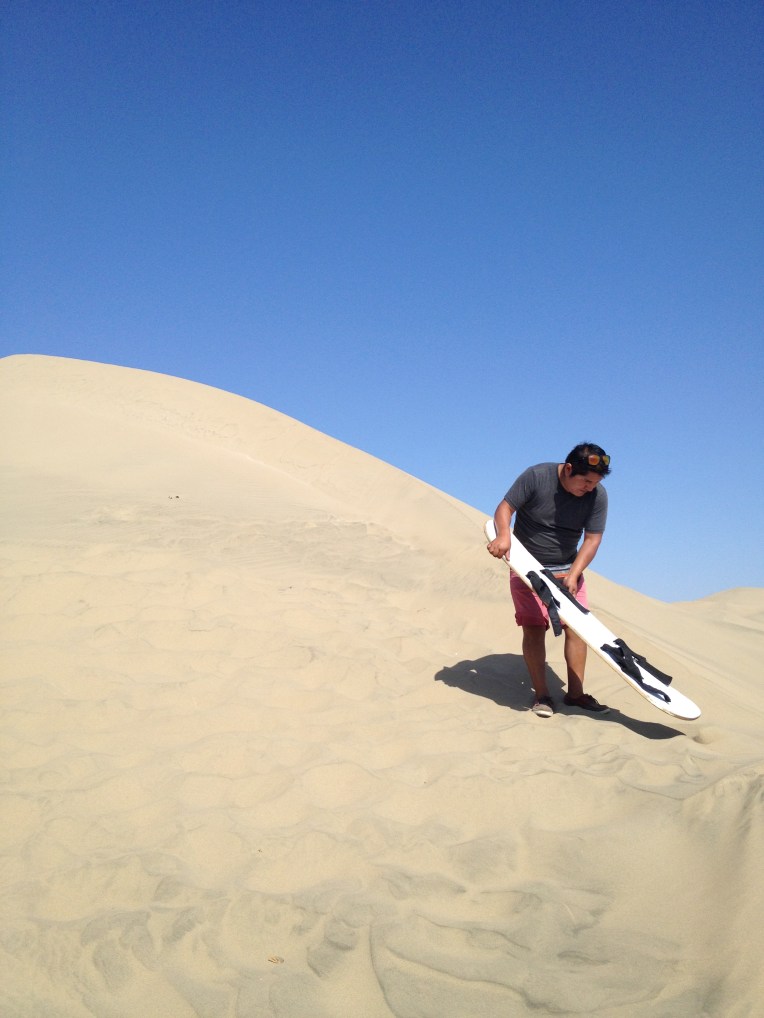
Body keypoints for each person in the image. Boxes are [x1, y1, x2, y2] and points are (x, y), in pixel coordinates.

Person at [487, 443, 611, 718]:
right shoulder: (536, 476)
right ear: (569, 469)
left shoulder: (597, 496)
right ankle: (542, 695)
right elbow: (505, 508)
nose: (590, 488)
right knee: (533, 628)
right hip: (526, 566)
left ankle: (576, 694)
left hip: (568, 566)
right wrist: (504, 535)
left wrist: (576, 572)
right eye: (586, 481)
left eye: (595, 483)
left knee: (578, 629)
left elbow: (592, 539)